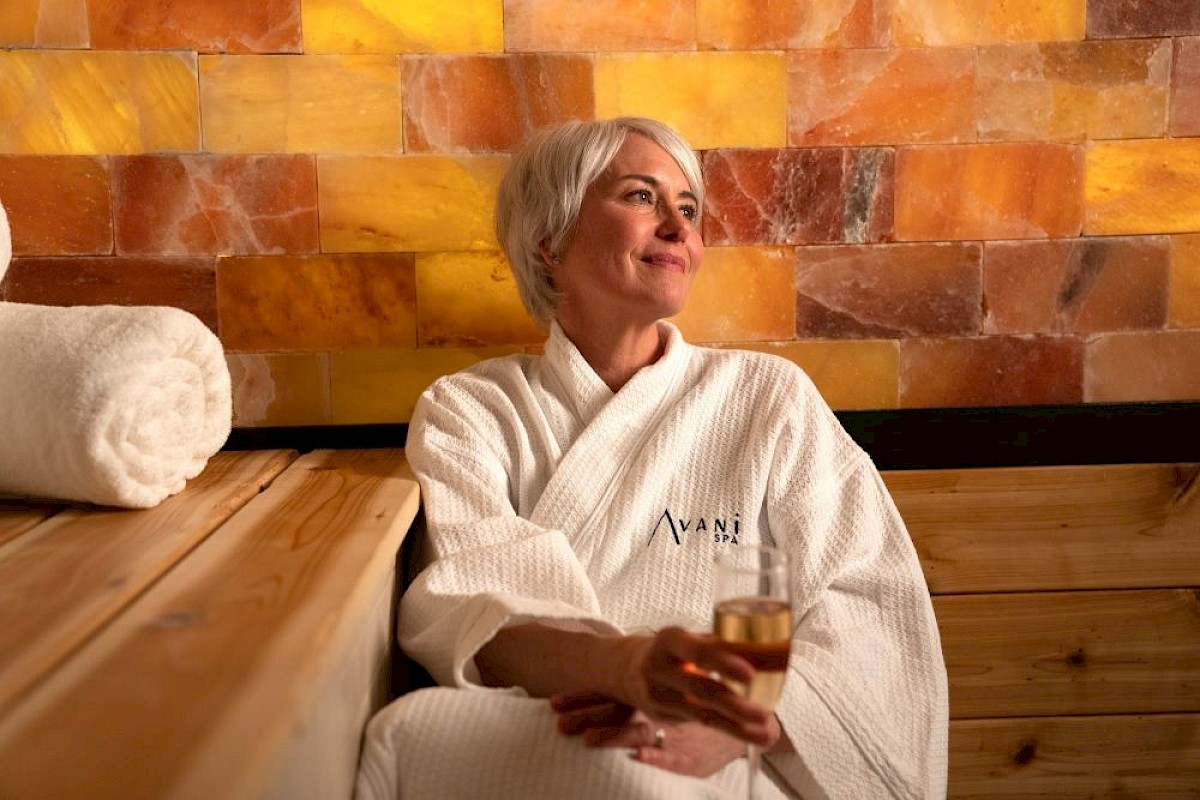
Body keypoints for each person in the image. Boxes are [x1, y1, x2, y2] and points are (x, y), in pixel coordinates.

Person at [355, 117, 948, 799]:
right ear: (549, 239)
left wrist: (742, 723)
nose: (678, 228)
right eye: (641, 197)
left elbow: (865, 603)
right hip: (559, 721)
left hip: (738, 746)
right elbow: (479, 614)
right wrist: (626, 668)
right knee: (415, 730)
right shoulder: (472, 410)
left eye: (688, 209)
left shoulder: (766, 397)